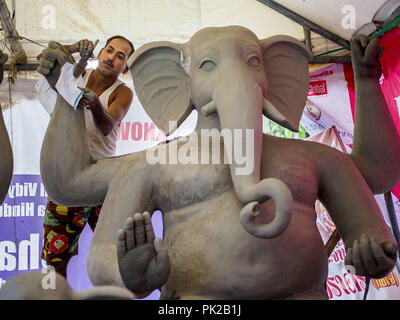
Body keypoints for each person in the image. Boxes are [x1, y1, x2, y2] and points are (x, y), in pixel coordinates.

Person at [39, 35, 134, 278]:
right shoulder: (75, 76)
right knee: (54, 261)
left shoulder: (122, 92)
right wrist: (72, 49)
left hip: (101, 181)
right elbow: (44, 60)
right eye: (109, 51)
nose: (112, 57)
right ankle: (54, 296)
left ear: (126, 67)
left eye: (120, 56)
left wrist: (95, 103)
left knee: (116, 254)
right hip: (69, 178)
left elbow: (106, 126)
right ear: (100, 52)